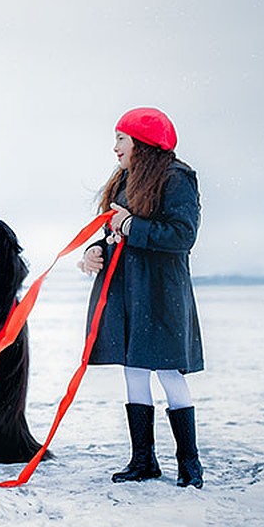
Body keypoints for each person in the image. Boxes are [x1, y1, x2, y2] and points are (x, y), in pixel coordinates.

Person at [78, 107, 204, 488]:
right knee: (133, 370)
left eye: (121, 138)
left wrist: (132, 226)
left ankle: (190, 463)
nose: (115, 147)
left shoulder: (177, 178)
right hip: (125, 291)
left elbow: (182, 235)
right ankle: (143, 460)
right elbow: (115, 231)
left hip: (161, 293)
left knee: (167, 372)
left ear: (142, 142)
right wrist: (94, 252)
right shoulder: (124, 179)